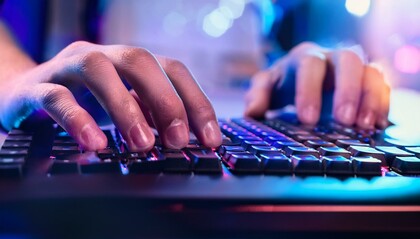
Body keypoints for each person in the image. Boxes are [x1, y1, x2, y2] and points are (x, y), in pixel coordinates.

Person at [0, 17, 389, 152]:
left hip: (252, 122)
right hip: (95, 121)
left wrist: (312, 72)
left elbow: (275, 46)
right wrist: (14, 77)